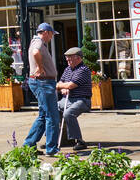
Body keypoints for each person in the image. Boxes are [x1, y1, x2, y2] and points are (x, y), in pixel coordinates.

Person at [22, 24, 59, 155]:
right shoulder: (38, 42)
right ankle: (51, 148)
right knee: (52, 117)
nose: (52, 37)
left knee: (43, 116)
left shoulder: (38, 42)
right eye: (52, 34)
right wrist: (41, 67)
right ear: (46, 32)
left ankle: (29, 145)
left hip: (43, 83)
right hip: (43, 83)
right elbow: (35, 52)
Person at [55, 47, 92, 150]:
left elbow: (71, 85)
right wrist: (62, 89)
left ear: (78, 58)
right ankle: (55, 139)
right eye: (67, 58)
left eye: (70, 58)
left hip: (82, 100)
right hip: (66, 99)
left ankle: (79, 141)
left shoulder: (83, 70)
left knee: (68, 113)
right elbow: (60, 83)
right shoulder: (67, 69)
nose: (67, 60)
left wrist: (64, 86)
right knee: (51, 110)